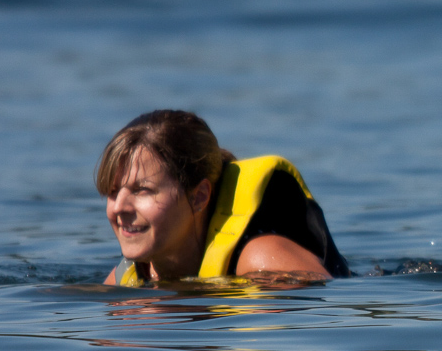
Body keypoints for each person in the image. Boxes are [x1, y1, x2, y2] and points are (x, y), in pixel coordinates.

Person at [97, 110, 349, 286]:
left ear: (199, 197)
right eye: (113, 192)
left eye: (142, 190)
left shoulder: (262, 262)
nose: (118, 208)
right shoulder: (127, 278)